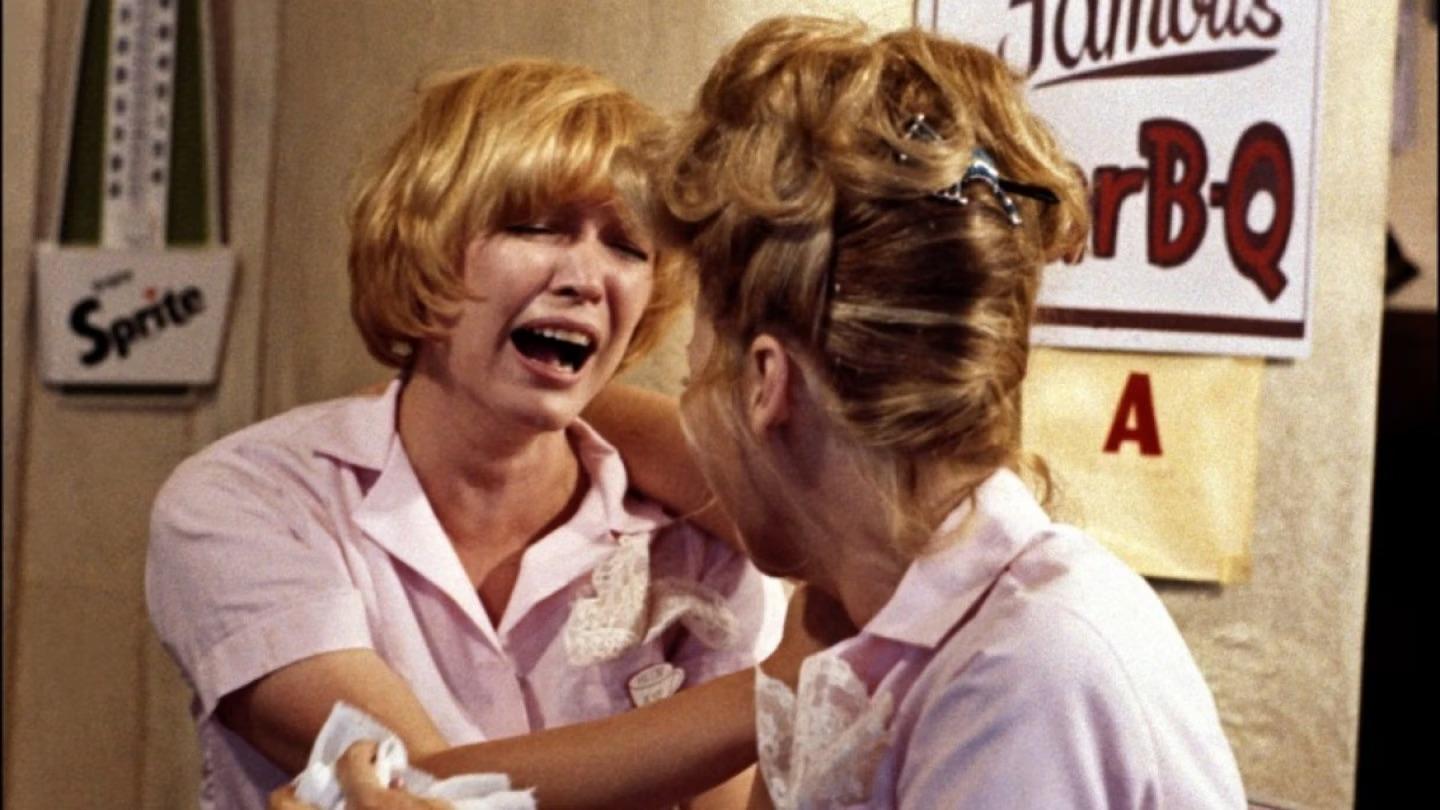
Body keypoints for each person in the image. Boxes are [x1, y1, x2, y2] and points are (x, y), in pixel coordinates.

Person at [146, 58, 790, 810]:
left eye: (627, 246)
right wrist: (800, 684)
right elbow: (423, 787)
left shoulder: (694, 546)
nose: (585, 276)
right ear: (422, 245)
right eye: (532, 226)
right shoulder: (247, 499)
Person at [650, 15, 1248, 808]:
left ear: (766, 383)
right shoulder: (879, 629)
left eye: (693, 368)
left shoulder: (1022, 676)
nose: (688, 406)